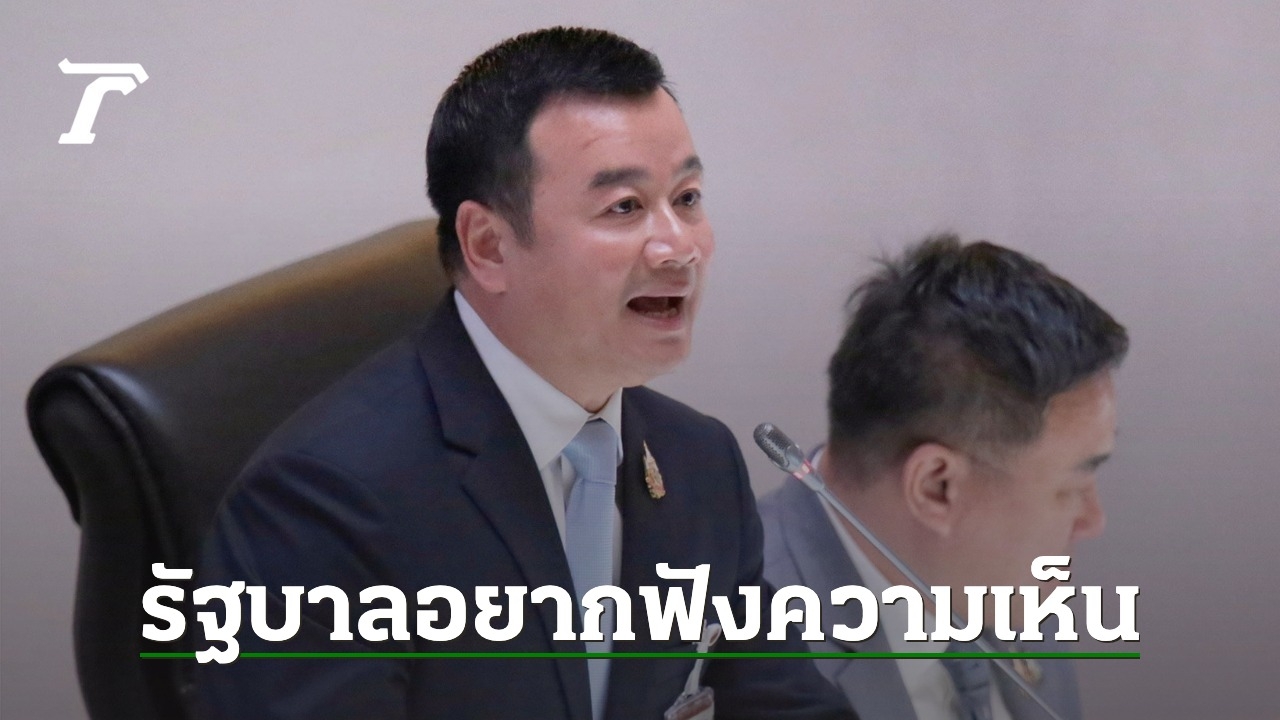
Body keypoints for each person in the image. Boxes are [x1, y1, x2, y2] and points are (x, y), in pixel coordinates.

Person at [196, 27, 855, 720]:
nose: (680, 247)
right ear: (489, 246)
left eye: (687, 198)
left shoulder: (700, 464)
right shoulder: (322, 504)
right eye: (624, 207)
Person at [760, 235, 1129, 720]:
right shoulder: (733, 647)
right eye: (1070, 489)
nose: (1093, 521)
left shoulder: (1002, 585)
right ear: (937, 488)